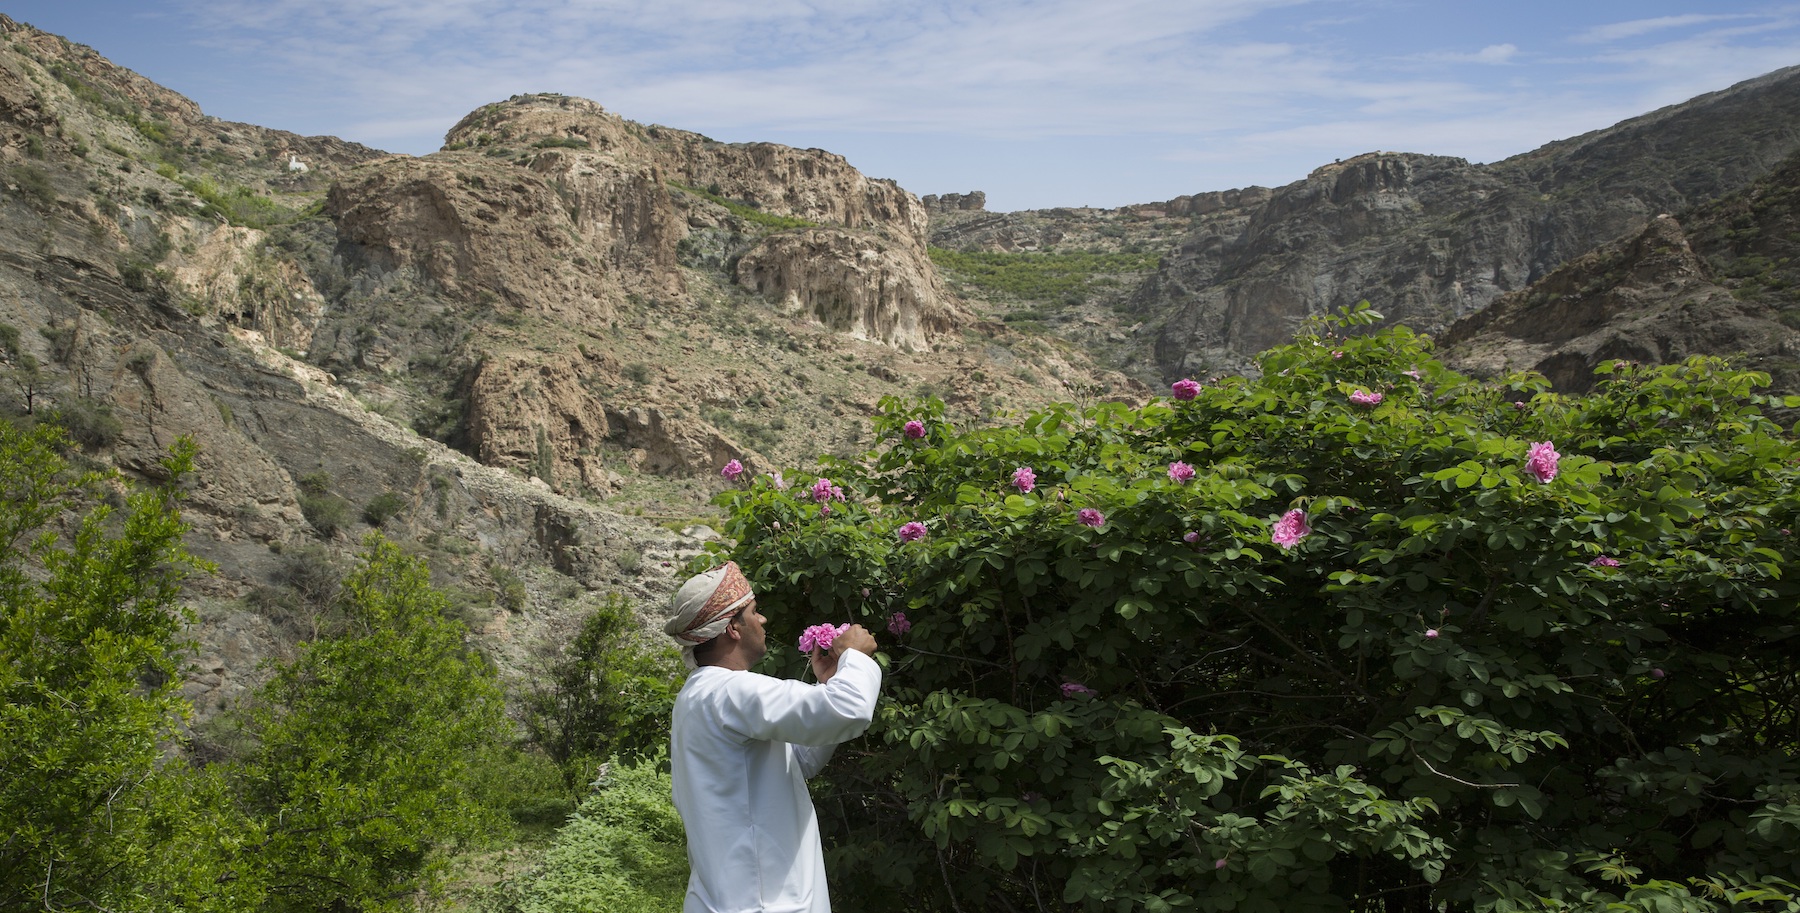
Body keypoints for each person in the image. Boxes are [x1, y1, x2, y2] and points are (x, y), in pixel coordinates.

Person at [664, 560, 882, 913]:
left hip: (731, 898)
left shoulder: (699, 695)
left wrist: (826, 684)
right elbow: (851, 709)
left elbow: (797, 762)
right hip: (765, 903)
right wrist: (853, 657)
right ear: (733, 628)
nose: (762, 620)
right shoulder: (732, 691)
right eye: (754, 612)